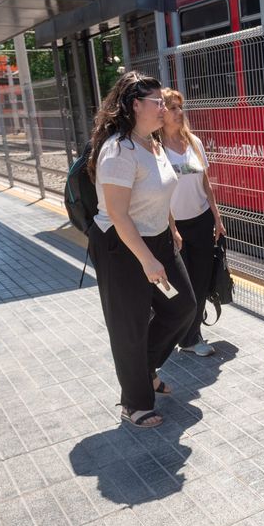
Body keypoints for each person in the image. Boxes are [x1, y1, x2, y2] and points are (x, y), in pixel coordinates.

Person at [86, 71, 196, 428]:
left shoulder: (153, 143)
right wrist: (147, 259)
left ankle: (143, 368)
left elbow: (160, 191)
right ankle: (134, 402)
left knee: (183, 307)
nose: (164, 107)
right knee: (129, 325)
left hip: (159, 239)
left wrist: (172, 230)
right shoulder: (119, 150)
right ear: (136, 105)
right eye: (157, 102)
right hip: (123, 246)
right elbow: (118, 213)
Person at [160, 87, 226, 357]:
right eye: (172, 108)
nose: (179, 112)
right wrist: (172, 227)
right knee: (181, 287)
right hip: (172, 227)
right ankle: (176, 331)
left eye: (180, 107)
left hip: (200, 221)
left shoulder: (194, 143)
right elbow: (158, 193)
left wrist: (217, 217)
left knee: (199, 282)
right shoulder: (156, 148)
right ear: (161, 114)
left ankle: (191, 336)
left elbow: (205, 183)